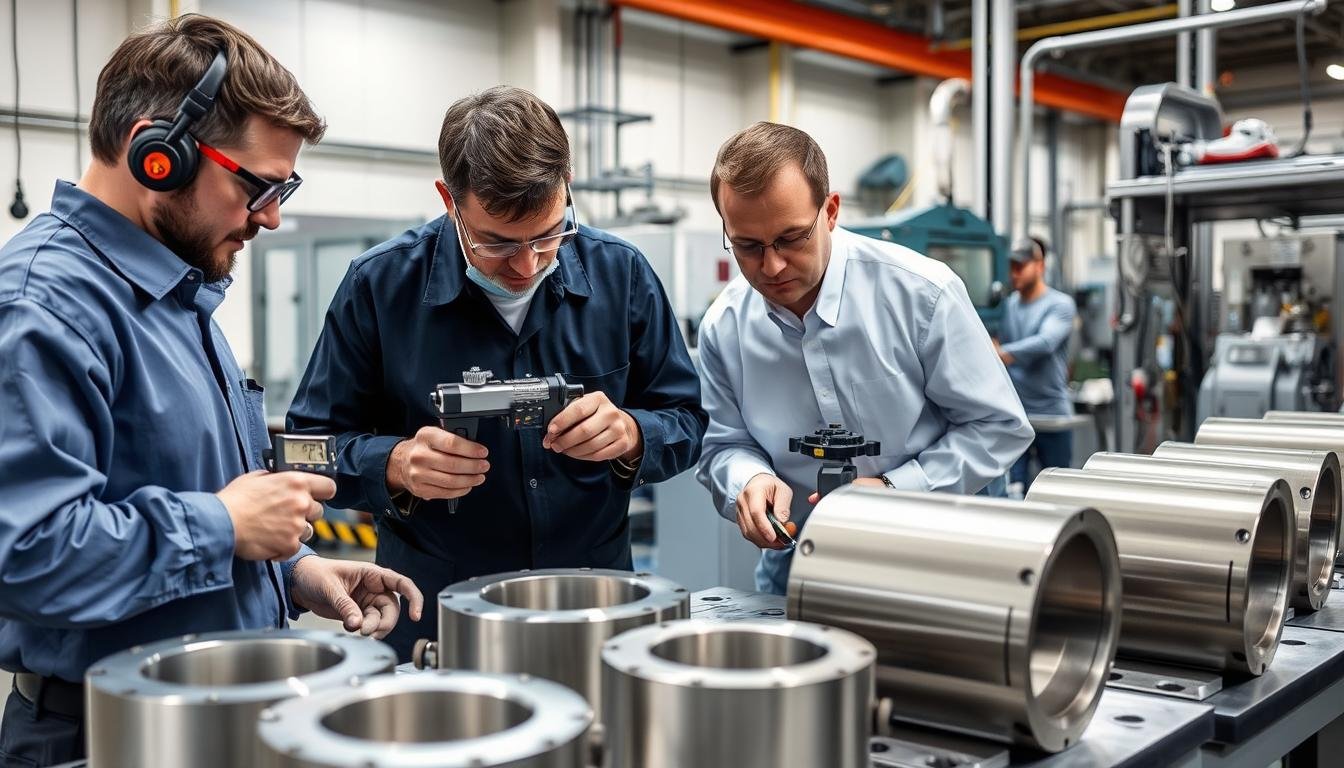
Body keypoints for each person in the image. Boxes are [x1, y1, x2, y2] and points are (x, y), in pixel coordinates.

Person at [0, 17, 423, 765]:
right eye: (256, 185)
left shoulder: (177, 296)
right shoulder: (46, 306)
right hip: (106, 735)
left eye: (282, 188)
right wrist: (223, 528)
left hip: (217, 716)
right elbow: (25, 556)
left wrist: (293, 573)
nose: (272, 215)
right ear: (156, 154)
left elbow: (194, 494)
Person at [286, 86, 707, 660]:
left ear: (568, 188)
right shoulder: (380, 288)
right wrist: (395, 465)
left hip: (593, 606)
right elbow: (305, 448)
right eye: (498, 244)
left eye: (548, 234)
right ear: (448, 200)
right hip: (435, 614)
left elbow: (685, 418)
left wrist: (634, 436)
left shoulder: (623, 276)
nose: (527, 264)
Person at [696, 122, 1033, 595]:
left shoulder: (922, 295)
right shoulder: (725, 327)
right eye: (748, 246)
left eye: (792, 238)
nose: (771, 266)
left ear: (830, 211)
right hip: (805, 553)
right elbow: (722, 445)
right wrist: (747, 479)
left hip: (938, 550)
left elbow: (999, 427)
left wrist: (898, 491)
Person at [996, 236, 1078, 489]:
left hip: (1052, 416)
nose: (1014, 274)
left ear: (1039, 266)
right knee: (1013, 490)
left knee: (1057, 491)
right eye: (1011, 267)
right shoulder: (1009, 306)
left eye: (1020, 267)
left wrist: (1001, 353)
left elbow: (1045, 342)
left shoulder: (1060, 304)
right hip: (1018, 418)